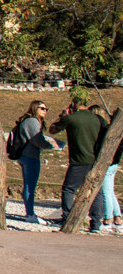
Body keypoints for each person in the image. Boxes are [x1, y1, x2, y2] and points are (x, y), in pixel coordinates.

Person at [49, 100, 108, 231]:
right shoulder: (99, 119)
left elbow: (52, 130)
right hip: (96, 160)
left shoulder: (71, 118)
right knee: (95, 190)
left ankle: (67, 218)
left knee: (69, 189)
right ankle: (96, 222)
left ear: (73, 105)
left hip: (79, 160)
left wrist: (63, 116)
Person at [11, 99, 59, 224]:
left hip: (24, 155)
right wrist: (51, 145)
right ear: (34, 108)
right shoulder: (33, 121)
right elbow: (37, 140)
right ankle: (30, 213)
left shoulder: (27, 121)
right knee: (30, 185)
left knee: (29, 184)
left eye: (46, 109)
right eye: (42, 108)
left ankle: (29, 212)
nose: (45, 111)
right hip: (30, 156)